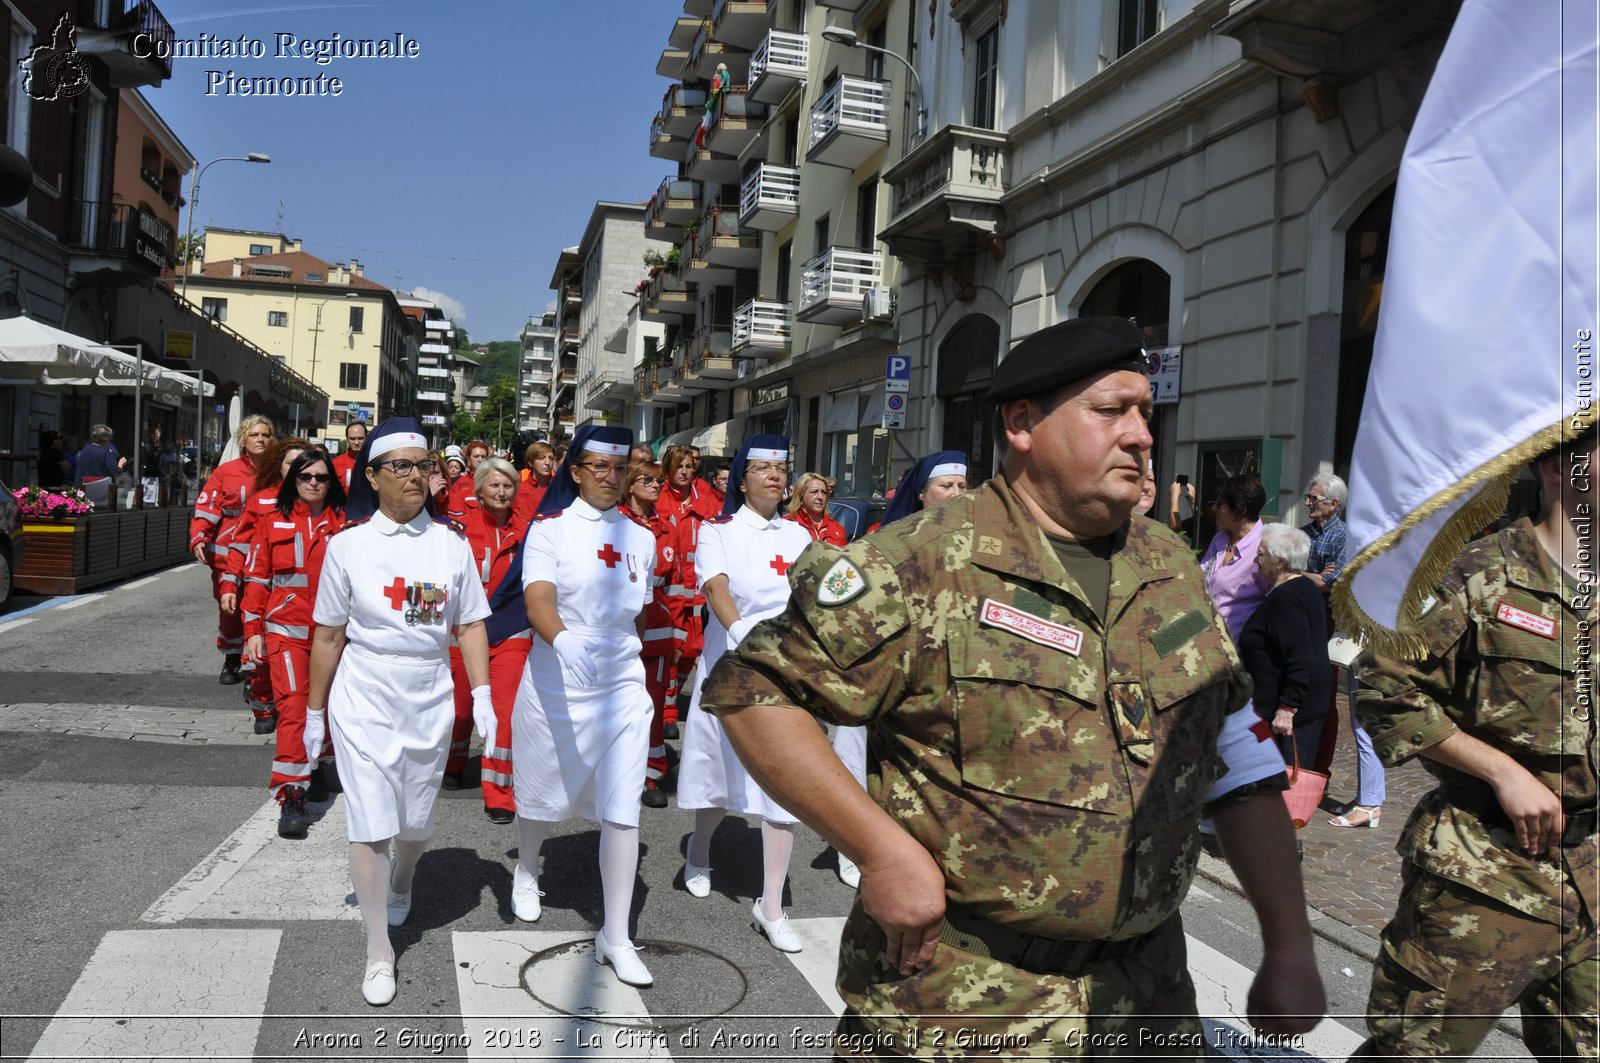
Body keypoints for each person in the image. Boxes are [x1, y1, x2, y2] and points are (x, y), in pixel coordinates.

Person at [701, 316, 1323, 1052]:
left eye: (1145, 413)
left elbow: (1236, 756)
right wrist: (880, 851)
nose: (1141, 435)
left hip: (1145, 996)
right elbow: (753, 692)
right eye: (1110, 410)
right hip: (964, 1002)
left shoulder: (1169, 564)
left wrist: (1288, 944)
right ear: (1023, 423)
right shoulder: (917, 563)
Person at [1352, 429, 1599, 1060]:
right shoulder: (1482, 571)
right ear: (1556, 467)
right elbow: (1385, 688)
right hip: (1483, 878)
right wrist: (1501, 772)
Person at [306, 417, 492, 1008]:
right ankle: (379, 949)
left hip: (428, 692)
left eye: (424, 465)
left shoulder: (451, 544)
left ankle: (407, 876)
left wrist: (483, 695)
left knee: (414, 825)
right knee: (370, 821)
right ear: (373, 477)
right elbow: (329, 636)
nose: (417, 476)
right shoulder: (348, 545)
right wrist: (314, 714)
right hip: (364, 691)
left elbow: (468, 624)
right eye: (402, 466)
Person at [508, 425, 657, 988]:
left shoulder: (641, 537)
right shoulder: (550, 531)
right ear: (575, 470)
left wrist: (631, 659)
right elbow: (538, 598)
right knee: (543, 790)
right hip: (559, 677)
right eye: (599, 466)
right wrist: (564, 639)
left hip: (620, 685)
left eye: (620, 469)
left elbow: (638, 613)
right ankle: (526, 868)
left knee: (624, 808)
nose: (611, 477)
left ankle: (615, 936)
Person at [676, 436, 815, 951]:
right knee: (719, 768)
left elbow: (816, 594)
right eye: (762, 469)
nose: (775, 478)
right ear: (742, 478)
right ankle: (699, 850)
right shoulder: (720, 531)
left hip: (785, 671)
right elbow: (717, 588)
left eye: (780, 470)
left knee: (784, 782)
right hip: (732, 662)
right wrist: (740, 634)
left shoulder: (800, 535)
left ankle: (771, 905)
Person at [242, 447, 346, 837]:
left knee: (333, 707)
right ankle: (291, 794)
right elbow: (256, 579)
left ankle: (319, 765)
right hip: (285, 631)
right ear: (293, 481)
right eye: (305, 477)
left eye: (321, 477)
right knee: (294, 709)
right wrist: (252, 631)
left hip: (335, 635)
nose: (314, 483)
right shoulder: (273, 521)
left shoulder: (348, 525)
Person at [444, 456, 531, 822]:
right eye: (493, 485)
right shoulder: (456, 532)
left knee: (505, 714)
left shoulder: (529, 532)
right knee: (461, 710)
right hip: (464, 632)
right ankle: (454, 759)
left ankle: (498, 793)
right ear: (479, 490)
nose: (501, 492)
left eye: (508, 485)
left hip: (511, 631)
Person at [223, 437, 310, 733]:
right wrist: (229, 582)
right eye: (291, 464)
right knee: (257, 656)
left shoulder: (321, 507)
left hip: (297, 604)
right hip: (261, 591)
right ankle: (262, 707)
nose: (298, 470)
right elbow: (240, 543)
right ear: (280, 466)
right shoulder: (262, 501)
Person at [1236, 524, 1330, 769]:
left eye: (1261, 554)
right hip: (1285, 704)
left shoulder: (1288, 598)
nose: (1256, 560)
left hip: (1289, 714)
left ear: (1279, 561)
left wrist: (1287, 708)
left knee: (1288, 787)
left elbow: (1302, 657)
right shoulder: (1301, 587)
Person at [191, 416, 276, 684]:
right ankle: (231, 657)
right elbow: (208, 507)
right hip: (228, 553)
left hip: (266, 553)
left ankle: (255, 666)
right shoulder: (225, 472)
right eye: (254, 435)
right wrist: (199, 536)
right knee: (230, 608)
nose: (260, 439)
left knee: (261, 607)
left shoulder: (279, 471)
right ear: (243, 439)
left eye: (265, 434)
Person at [619, 460, 679, 810]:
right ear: (629, 485)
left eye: (659, 481)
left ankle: (651, 773)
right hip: (620, 624)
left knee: (653, 705)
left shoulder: (667, 528)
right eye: (648, 480)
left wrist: (680, 635)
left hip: (657, 628)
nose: (656, 486)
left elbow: (677, 585)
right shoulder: (616, 523)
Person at [661, 445, 721, 738]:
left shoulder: (705, 501)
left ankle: (671, 698)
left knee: (691, 650)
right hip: (669, 590)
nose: (685, 472)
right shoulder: (659, 500)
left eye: (689, 467)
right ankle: (667, 712)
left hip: (696, 590)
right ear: (668, 470)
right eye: (679, 467)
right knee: (671, 650)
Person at [1200, 475, 1269, 643]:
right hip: (1202, 637)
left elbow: (1275, 604)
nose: (1214, 509)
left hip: (1235, 649)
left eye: (1220, 504)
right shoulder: (1220, 539)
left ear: (1240, 509)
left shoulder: (1266, 546)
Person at [1298, 474, 1347, 590]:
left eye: (1314, 499)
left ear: (1333, 504)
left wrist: (1295, 573)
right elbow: (1279, 572)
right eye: (1308, 497)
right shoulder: (1299, 534)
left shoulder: (1344, 536)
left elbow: (1329, 585)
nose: (1307, 503)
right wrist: (1316, 577)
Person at [786, 470, 848, 546]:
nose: (820, 497)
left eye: (824, 492)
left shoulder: (837, 528)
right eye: (814, 492)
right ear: (801, 496)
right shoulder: (787, 524)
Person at [76, 423, 127, 512]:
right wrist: (120, 464)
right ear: (106, 439)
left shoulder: (86, 448)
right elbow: (116, 472)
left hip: (82, 489)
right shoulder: (105, 452)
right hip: (99, 493)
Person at [332, 421, 368, 491]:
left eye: (360, 438)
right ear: (347, 439)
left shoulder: (374, 461)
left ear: (366, 437)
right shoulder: (336, 463)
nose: (356, 442)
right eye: (352, 439)